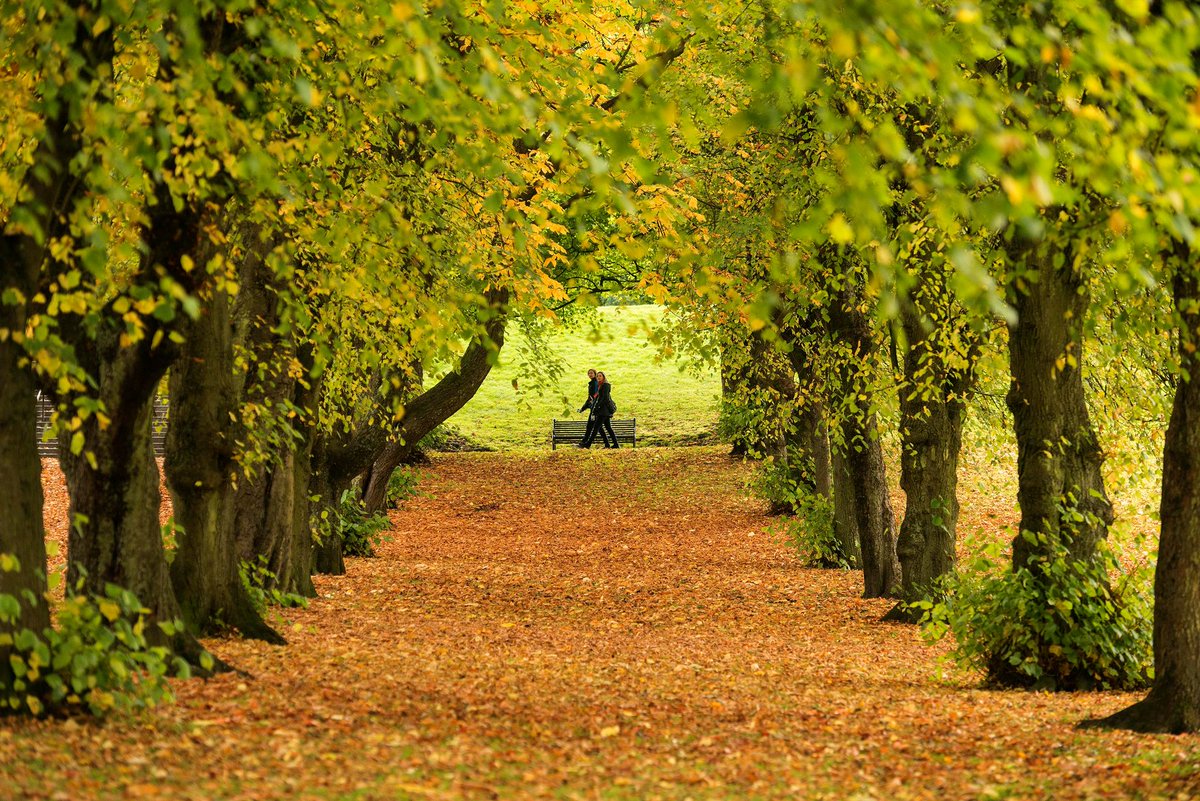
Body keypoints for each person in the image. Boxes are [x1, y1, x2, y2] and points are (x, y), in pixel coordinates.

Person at [582, 371, 618, 448]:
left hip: (603, 411)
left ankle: (588, 444)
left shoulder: (605, 385)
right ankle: (615, 444)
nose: (598, 377)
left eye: (600, 376)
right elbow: (598, 398)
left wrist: (597, 407)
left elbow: (604, 398)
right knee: (608, 428)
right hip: (603, 411)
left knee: (596, 428)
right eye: (598, 376)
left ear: (603, 377)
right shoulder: (600, 385)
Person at [577, 369, 599, 448]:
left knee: (590, 426)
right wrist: (582, 409)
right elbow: (589, 398)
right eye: (589, 373)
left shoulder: (595, 383)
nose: (590, 374)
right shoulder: (592, 383)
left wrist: (593, 404)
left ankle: (584, 443)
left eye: (591, 373)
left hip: (596, 409)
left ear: (595, 374)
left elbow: (594, 396)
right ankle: (609, 444)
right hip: (595, 408)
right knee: (599, 427)